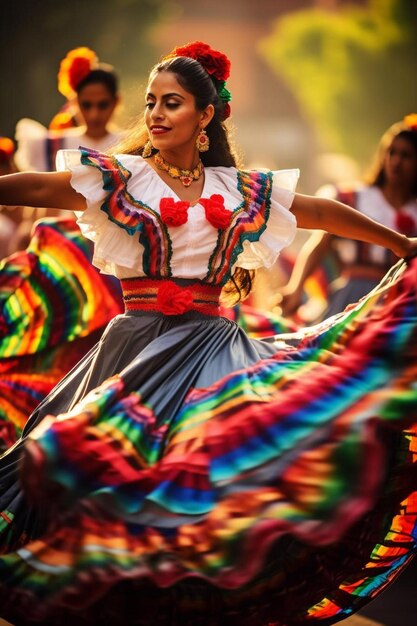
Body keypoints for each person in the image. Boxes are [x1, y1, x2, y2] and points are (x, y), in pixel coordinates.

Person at [0, 41, 416, 626]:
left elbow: (318, 212)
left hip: (216, 357)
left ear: (205, 116)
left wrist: (401, 245)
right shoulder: (126, 178)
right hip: (137, 356)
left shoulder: (237, 188)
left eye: (172, 103)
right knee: (113, 488)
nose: (156, 114)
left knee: (210, 494)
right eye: (150, 103)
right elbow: (43, 188)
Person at [278, 115, 417, 321]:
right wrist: (296, 288)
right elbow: (319, 246)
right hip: (352, 298)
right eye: (391, 152)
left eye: (406, 155)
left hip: (398, 305)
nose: (396, 161)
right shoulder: (354, 198)